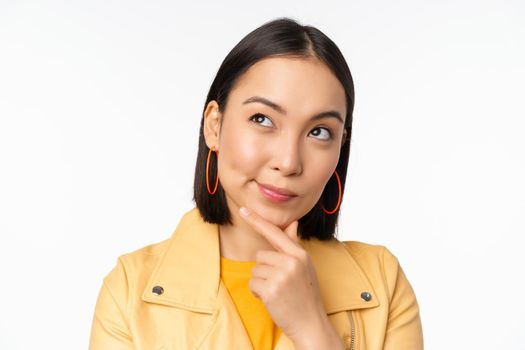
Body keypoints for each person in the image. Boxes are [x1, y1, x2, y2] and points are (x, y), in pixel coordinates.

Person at [88, 17, 424, 350]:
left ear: (341, 146)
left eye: (319, 132)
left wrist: (311, 328)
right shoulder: (131, 290)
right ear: (214, 126)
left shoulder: (381, 282)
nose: (289, 161)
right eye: (262, 119)